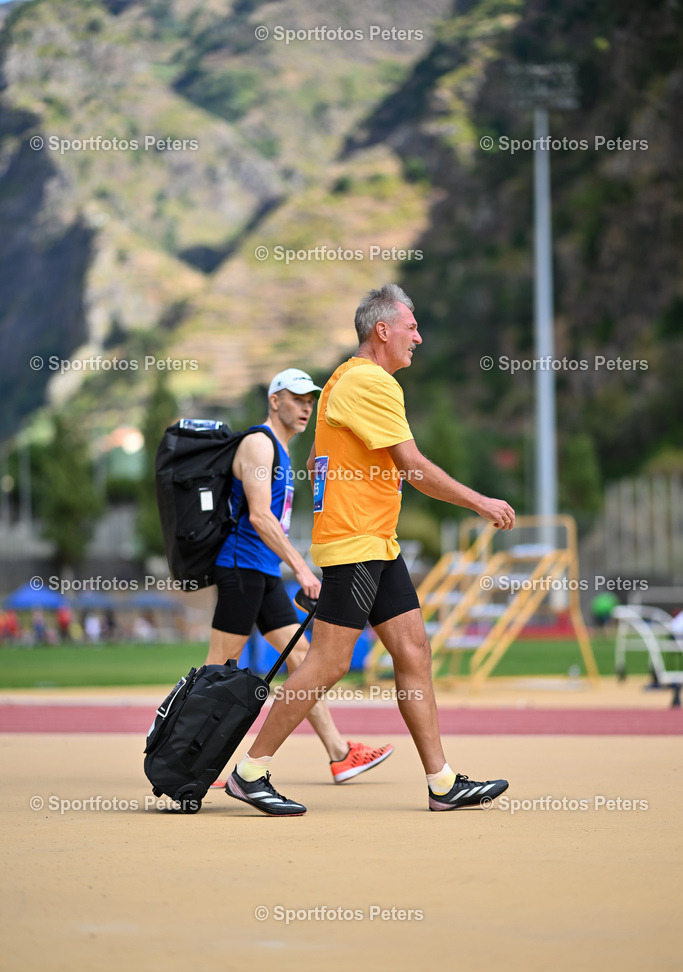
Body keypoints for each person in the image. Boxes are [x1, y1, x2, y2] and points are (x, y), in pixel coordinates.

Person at [224, 284, 516, 817]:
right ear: (382, 331)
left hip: (376, 542)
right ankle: (251, 771)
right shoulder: (370, 383)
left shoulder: (342, 379)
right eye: (412, 328)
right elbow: (415, 468)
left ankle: (442, 782)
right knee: (329, 662)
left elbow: (318, 458)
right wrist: (479, 502)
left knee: (413, 653)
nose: (418, 338)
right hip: (356, 543)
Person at [206, 367, 394, 786]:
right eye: (296, 399)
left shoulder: (283, 452)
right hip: (241, 569)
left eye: (310, 400)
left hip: (263, 571)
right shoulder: (258, 443)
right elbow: (259, 516)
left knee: (300, 660)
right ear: (275, 401)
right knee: (217, 669)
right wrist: (302, 567)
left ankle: (340, 753)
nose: (306, 407)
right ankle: (189, 751)